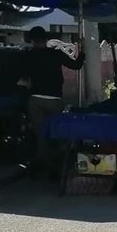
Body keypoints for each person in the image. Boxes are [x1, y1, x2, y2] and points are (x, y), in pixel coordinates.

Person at [23, 26, 85, 175]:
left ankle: (46, 165)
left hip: (35, 99)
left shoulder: (29, 56)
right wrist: (82, 52)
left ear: (32, 40)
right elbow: (76, 65)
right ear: (46, 39)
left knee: (41, 135)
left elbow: (24, 78)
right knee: (57, 133)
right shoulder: (56, 54)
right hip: (54, 99)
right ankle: (59, 165)